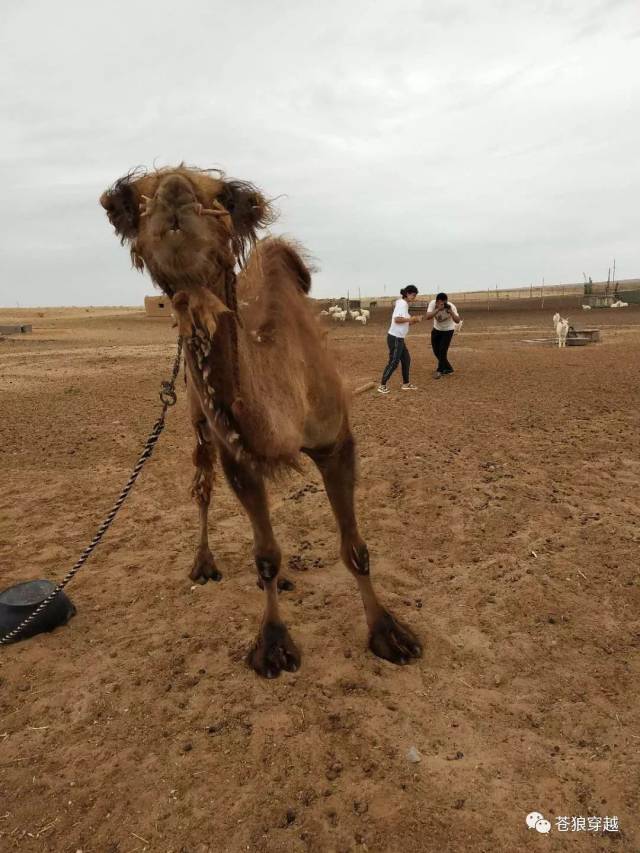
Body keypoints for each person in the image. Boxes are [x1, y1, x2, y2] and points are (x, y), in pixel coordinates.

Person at [378, 285, 422, 394]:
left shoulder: (403, 304)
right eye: (413, 295)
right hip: (395, 338)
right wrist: (411, 318)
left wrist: (415, 320)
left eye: (415, 295)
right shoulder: (402, 304)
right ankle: (382, 385)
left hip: (399, 338)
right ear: (407, 294)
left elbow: (405, 322)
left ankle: (406, 384)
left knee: (406, 360)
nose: (414, 297)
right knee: (394, 362)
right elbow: (397, 319)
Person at [426, 291, 461, 379]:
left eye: (444, 303)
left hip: (448, 330)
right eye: (441, 303)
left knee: (442, 351)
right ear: (437, 302)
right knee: (436, 351)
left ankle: (440, 370)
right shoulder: (432, 304)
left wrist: (451, 312)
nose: (443, 305)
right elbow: (428, 317)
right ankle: (448, 368)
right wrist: (438, 309)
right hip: (436, 329)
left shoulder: (451, 306)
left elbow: (457, 320)